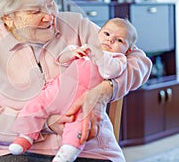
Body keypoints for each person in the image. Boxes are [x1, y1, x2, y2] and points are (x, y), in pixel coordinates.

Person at [0, 0, 152, 162]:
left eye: (51, 3)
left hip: (89, 148)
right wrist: (43, 123)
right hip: (17, 151)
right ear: (8, 17)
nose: (49, 16)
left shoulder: (77, 26)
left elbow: (139, 61)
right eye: (35, 11)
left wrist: (106, 90)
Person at [8, 18, 137, 162]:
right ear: (98, 34)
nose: (110, 40)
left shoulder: (117, 58)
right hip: (58, 89)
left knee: (80, 123)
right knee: (35, 106)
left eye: (119, 40)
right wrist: (73, 53)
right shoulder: (85, 48)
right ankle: (25, 137)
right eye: (106, 34)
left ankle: (68, 152)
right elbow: (62, 60)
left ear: (128, 49)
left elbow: (110, 71)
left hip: (80, 100)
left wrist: (98, 53)